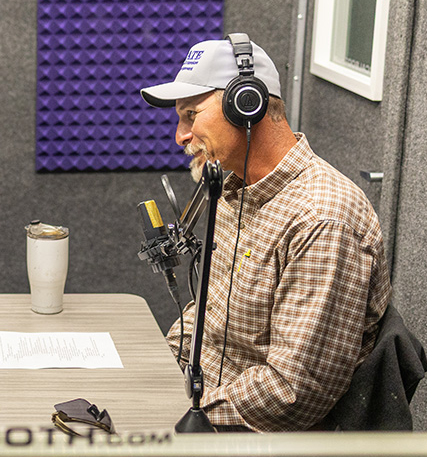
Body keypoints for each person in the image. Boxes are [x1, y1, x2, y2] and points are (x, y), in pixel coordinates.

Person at [139, 35, 391, 431]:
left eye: (191, 115)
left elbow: (291, 392)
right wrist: (152, 372)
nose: (180, 136)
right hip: (203, 407)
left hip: (254, 448)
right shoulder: (233, 189)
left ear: (245, 105)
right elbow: (209, 314)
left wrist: (178, 417)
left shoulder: (321, 220)